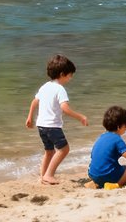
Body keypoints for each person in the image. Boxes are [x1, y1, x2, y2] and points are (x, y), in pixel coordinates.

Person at [25, 54, 88, 184]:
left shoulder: (45, 86)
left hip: (41, 125)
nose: (70, 78)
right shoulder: (60, 89)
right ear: (62, 74)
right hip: (52, 126)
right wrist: (80, 116)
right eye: (70, 75)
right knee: (64, 149)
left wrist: (30, 117)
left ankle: (43, 176)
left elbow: (34, 102)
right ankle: (49, 174)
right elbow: (65, 108)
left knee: (49, 151)